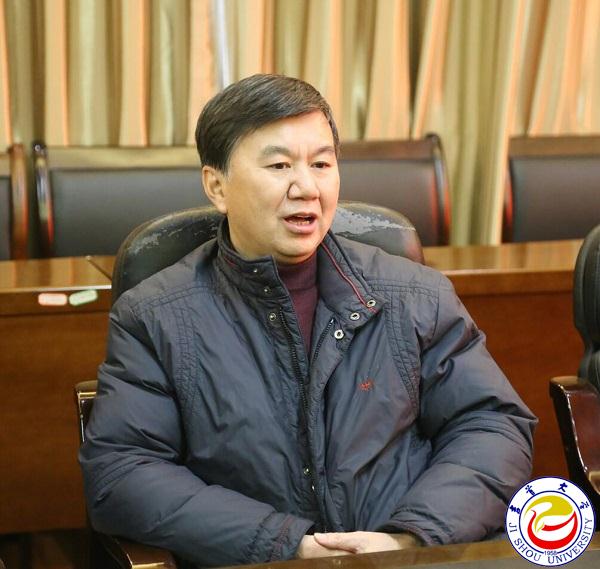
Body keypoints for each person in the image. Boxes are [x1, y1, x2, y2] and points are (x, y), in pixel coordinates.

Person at [79, 74, 536, 567]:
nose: (307, 188)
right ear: (217, 186)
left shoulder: (415, 293)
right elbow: (123, 473)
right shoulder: (156, 316)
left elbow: (493, 425)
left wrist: (409, 537)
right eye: (279, 165)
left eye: (321, 163)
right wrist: (289, 546)